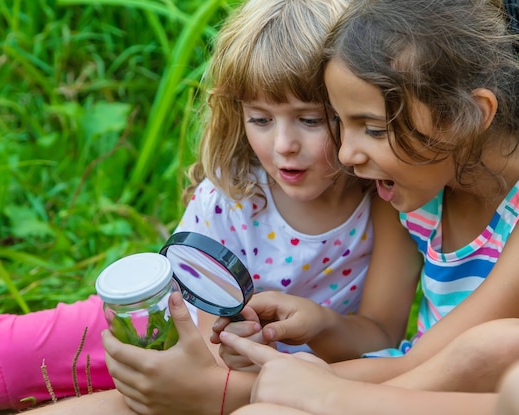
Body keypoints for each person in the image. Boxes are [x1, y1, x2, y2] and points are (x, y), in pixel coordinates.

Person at [0, 0, 421, 414]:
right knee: (2, 362)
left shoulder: (385, 207)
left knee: (124, 398)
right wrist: (210, 355)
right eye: (261, 119)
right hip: (171, 329)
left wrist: (321, 324)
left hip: (269, 376)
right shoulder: (235, 195)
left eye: (309, 120)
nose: (283, 145)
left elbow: (381, 331)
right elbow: (182, 295)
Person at [212, 0, 519, 413]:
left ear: (470, 114)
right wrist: (319, 327)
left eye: (373, 128)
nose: (346, 156)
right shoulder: (415, 195)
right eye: (340, 122)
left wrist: (217, 388)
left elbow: (441, 365)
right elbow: (395, 347)